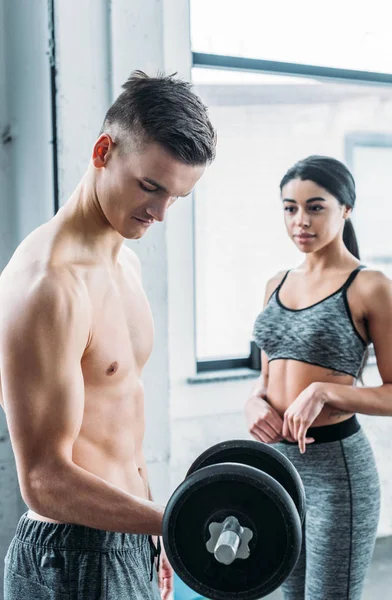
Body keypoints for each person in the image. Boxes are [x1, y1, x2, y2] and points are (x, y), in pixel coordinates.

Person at [0, 70, 216, 600]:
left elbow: (121, 426)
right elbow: (45, 480)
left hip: (129, 535)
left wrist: (153, 530)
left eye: (177, 197)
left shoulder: (126, 263)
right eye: (151, 186)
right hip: (71, 555)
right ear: (103, 151)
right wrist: (170, 523)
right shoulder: (49, 284)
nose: (160, 213)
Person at [245, 155, 392, 600]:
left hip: (337, 473)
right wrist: (253, 402)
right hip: (278, 466)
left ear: (345, 209)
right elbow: (267, 374)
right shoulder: (276, 282)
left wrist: (326, 390)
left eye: (316, 207)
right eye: (290, 208)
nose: (301, 221)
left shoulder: (371, 286)